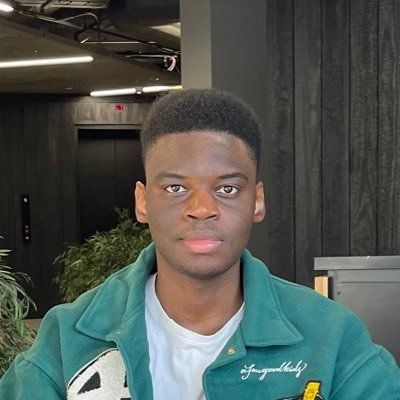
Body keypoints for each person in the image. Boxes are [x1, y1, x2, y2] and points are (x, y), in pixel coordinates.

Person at [0, 89, 399, 400]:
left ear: (257, 201)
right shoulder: (68, 338)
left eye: (228, 188)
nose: (202, 209)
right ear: (142, 202)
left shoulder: (332, 338)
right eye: (176, 188)